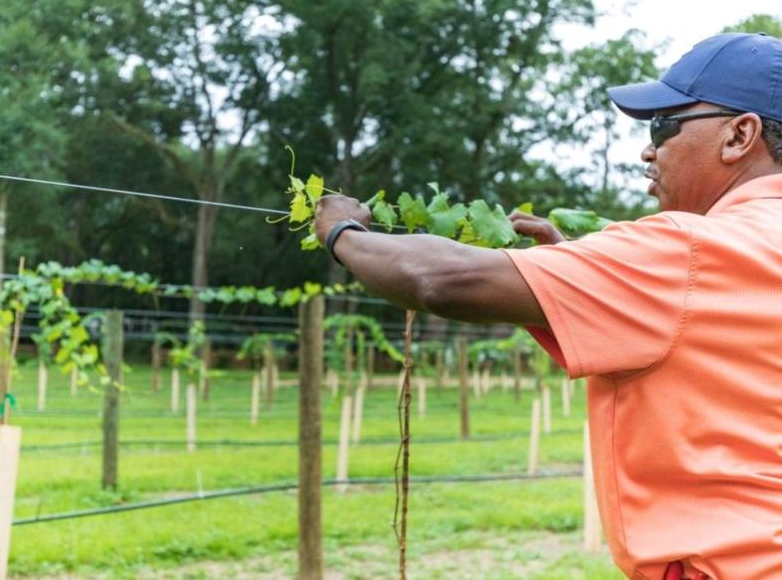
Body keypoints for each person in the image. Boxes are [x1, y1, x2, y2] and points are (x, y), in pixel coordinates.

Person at [313, 32, 782, 580]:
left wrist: (342, 232)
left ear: (739, 135)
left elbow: (443, 279)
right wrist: (580, 275)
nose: (648, 150)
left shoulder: (687, 249)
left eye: (663, 125)